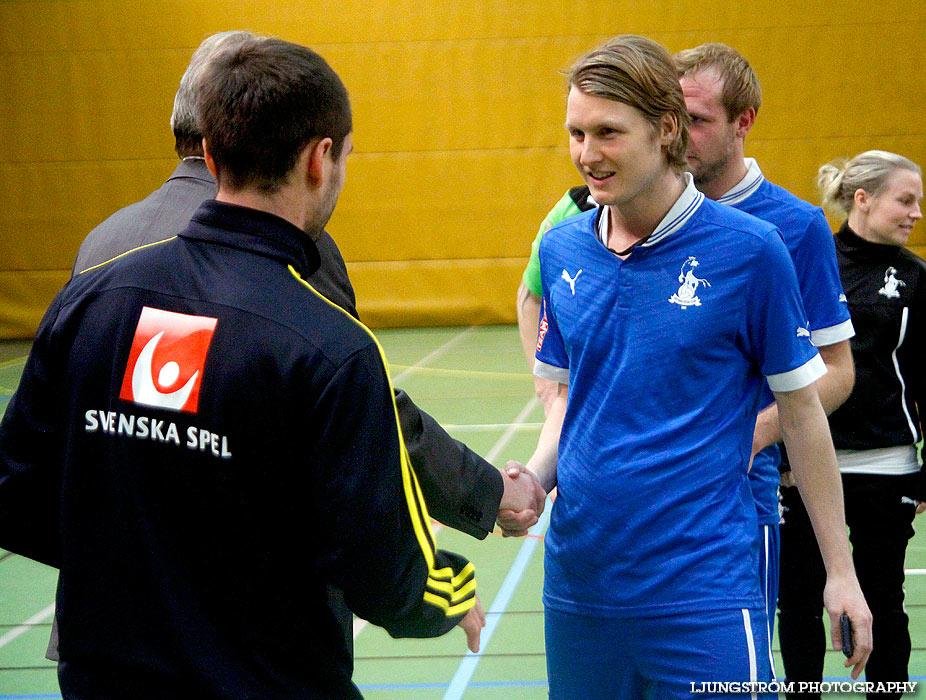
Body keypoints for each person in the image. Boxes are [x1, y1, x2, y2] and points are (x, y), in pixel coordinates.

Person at [0, 36, 484, 699]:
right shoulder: (328, 345)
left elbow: (15, 490)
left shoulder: (93, 297)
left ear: (210, 150)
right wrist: (452, 592)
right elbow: (385, 573)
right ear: (320, 159)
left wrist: (141, 564)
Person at [504, 34, 871, 698]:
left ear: (665, 128)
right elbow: (570, 407)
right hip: (579, 587)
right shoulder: (561, 251)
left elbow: (804, 413)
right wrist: (533, 477)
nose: (587, 154)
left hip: (703, 588)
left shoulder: (753, 249)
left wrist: (839, 571)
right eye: (575, 133)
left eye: (608, 133)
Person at [74, 31, 545, 542]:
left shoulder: (101, 244)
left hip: (106, 591)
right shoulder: (291, 247)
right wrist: (485, 492)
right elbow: (367, 415)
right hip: (246, 592)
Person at [778, 151, 925, 700]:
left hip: (887, 462)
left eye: (919, 203)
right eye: (904, 200)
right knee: (798, 596)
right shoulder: (810, 262)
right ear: (861, 198)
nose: (915, 213)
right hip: (806, 464)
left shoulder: (914, 278)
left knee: (883, 596)